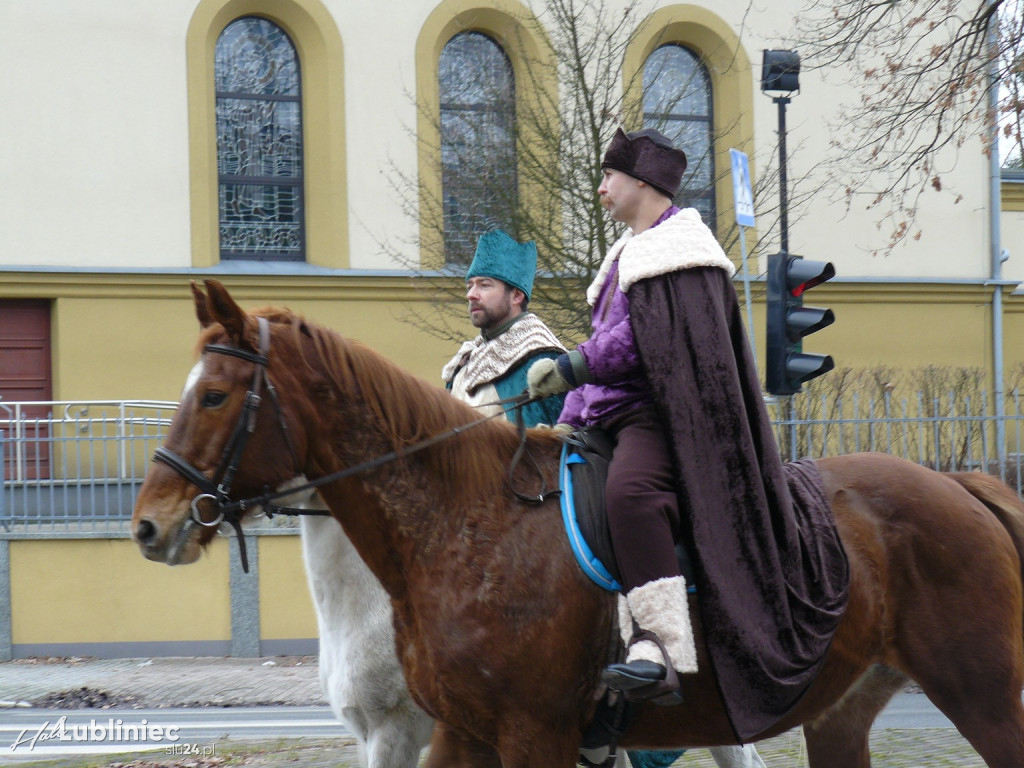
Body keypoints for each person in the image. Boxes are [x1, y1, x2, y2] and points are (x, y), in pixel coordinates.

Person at [527, 128, 848, 739]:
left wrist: (575, 364)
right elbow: (609, 344)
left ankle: (658, 649)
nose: (600, 188)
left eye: (608, 177)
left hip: (661, 416)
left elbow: (647, 342)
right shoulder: (630, 250)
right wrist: (569, 409)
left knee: (632, 496)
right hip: (608, 415)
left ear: (641, 183)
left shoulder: (682, 249)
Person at [442, 229, 566, 427]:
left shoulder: (539, 357)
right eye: (470, 286)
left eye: (484, 285)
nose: (471, 294)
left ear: (517, 296)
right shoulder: (465, 360)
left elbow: (547, 450)